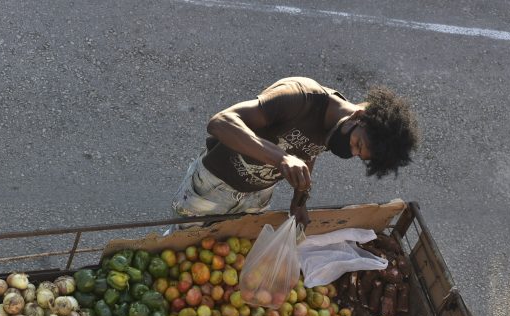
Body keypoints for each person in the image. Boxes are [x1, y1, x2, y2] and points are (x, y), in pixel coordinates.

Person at [169, 76, 419, 231]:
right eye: (357, 144)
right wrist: (281, 158)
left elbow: (308, 153)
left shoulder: (335, 130)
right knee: (180, 247)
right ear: (359, 116)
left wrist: (299, 200)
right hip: (213, 187)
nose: (351, 152)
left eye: (359, 155)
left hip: (257, 197)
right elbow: (220, 122)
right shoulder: (300, 97)